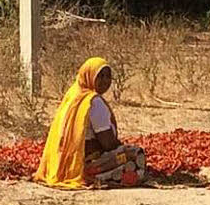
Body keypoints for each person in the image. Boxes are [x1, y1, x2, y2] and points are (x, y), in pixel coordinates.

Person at [35, 57, 148, 189]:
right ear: (89, 76)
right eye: (100, 76)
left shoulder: (73, 95)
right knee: (135, 153)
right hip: (89, 162)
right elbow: (107, 144)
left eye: (108, 77)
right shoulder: (93, 102)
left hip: (66, 163)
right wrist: (121, 147)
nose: (105, 81)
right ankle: (97, 176)